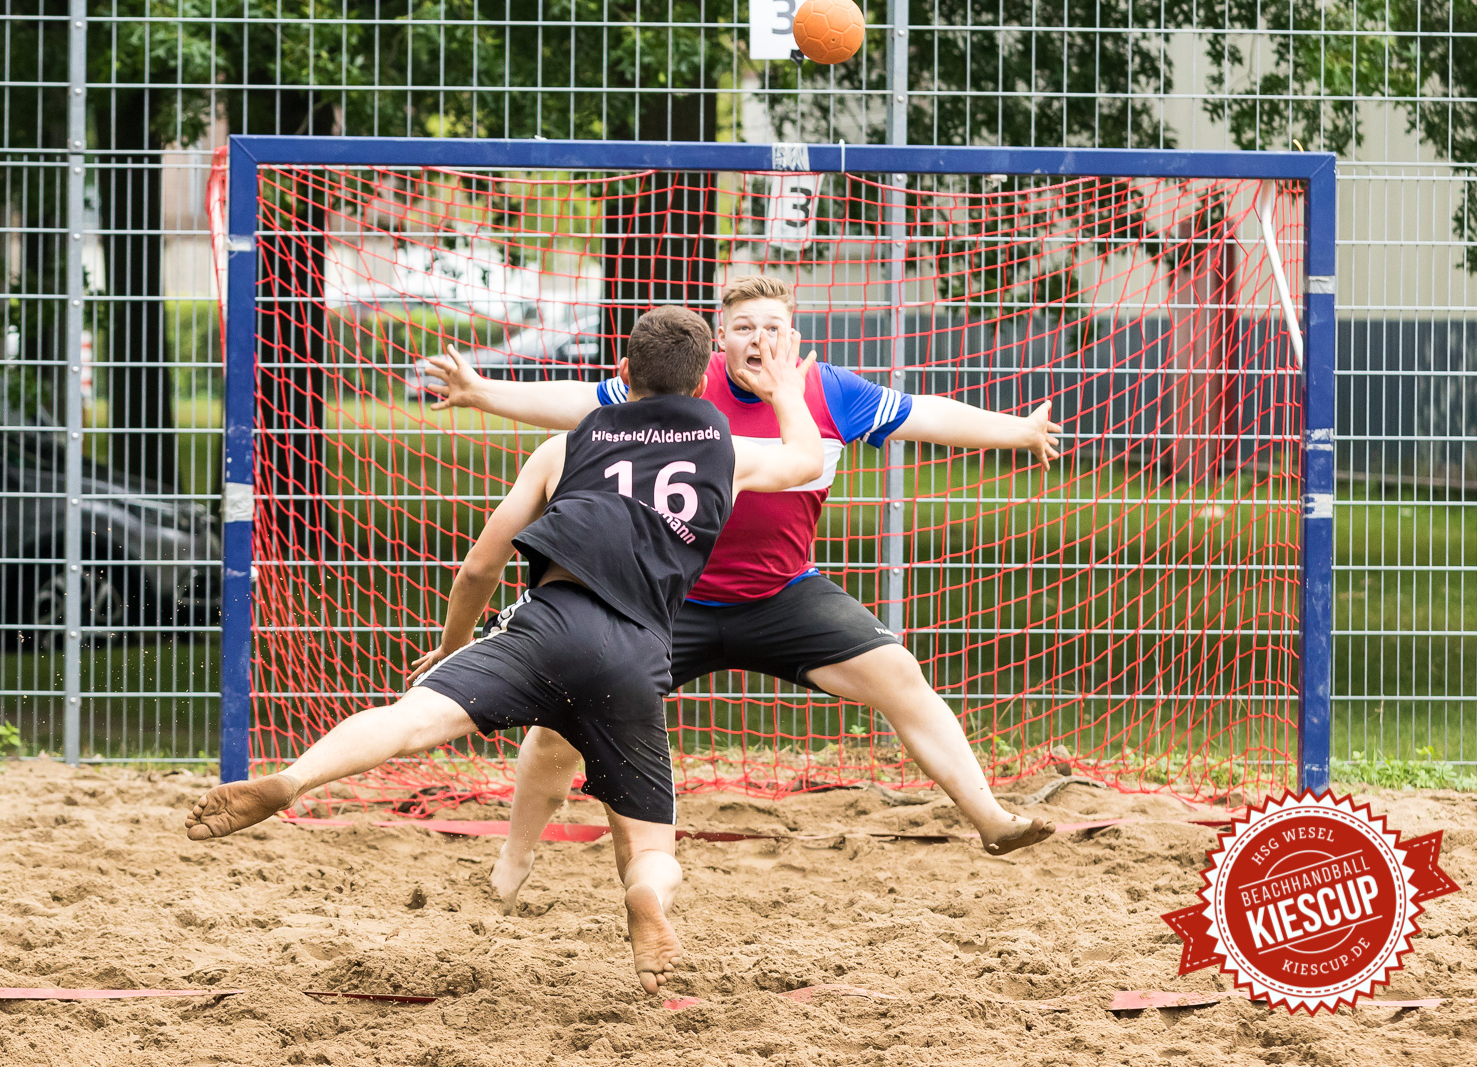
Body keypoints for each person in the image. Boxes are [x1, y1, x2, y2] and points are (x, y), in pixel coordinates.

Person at [185, 306, 825, 996]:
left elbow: (477, 568)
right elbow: (806, 458)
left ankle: (296, 779)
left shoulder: (566, 447)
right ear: (702, 385)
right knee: (652, 848)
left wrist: (451, 648)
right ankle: (645, 894)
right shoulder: (723, 452)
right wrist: (784, 387)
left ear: (621, 373)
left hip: (548, 623)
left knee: (410, 720)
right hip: (636, 652)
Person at [421, 275, 1064, 914]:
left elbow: (927, 414)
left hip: (781, 594)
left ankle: (993, 820)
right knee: (565, 712)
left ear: (795, 337)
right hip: (665, 603)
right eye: (745, 328)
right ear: (718, 342)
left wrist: (1019, 431)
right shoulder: (680, 391)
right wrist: (482, 392)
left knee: (897, 672)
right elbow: (576, 405)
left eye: (774, 328)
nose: (760, 340)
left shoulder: (828, 390)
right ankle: (513, 863)